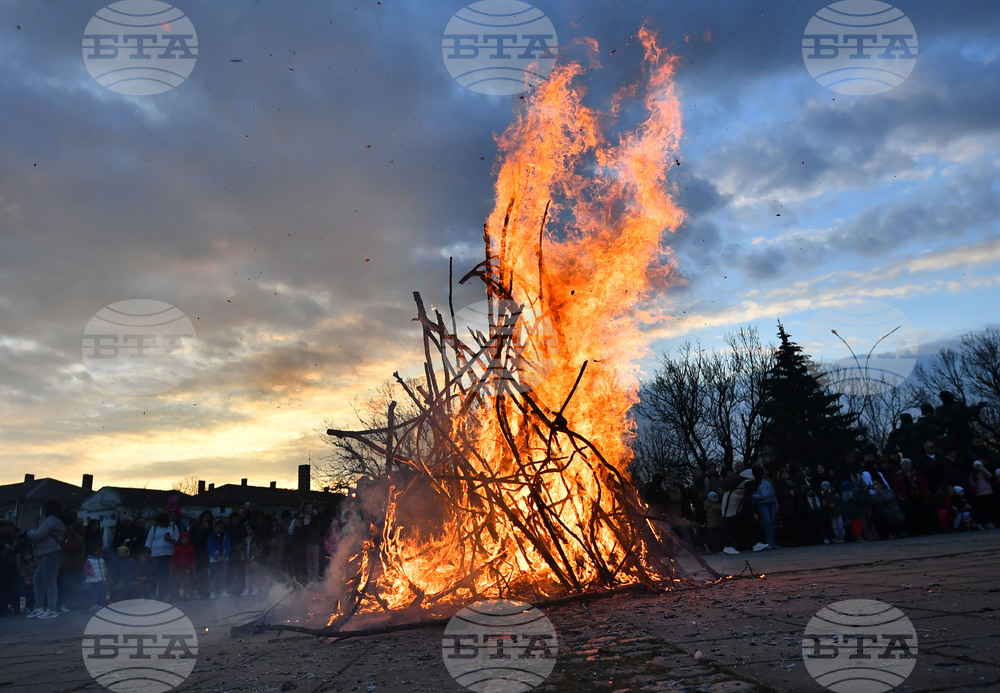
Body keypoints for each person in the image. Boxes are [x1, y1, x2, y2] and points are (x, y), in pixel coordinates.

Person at [25, 499, 67, 619]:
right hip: (52, 554)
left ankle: (51, 609)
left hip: (51, 553)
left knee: (49, 582)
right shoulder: (59, 520)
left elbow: (39, 534)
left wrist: (29, 532)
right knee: (38, 580)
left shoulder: (52, 520)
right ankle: (39, 608)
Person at [145, 512, 180, 600]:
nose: (162, 523)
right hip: (155, 555)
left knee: (165, 575)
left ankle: (163, 594)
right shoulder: (154, 528)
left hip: (168, 554)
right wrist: (148, 551)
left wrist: (170, 540)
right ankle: (152, 593)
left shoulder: (173, 527)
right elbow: (148, 541)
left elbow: (178, 540)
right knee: (154, 575)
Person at [750, 466, 779, 550]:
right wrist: (759, 497)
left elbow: (773, 493)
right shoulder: (755, 482)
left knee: (772, 522)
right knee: (768, 521)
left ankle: (772, 542)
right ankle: (769, 542)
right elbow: (751, 494)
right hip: (762, 503)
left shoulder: (768, 481)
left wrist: (777, 505)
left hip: (772, 502)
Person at [206, 519, 231, 598]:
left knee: (223, 576)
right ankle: (212, 592)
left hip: (224, 559)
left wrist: (224, 556)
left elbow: (228, 547)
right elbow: (209, 548)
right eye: (218, 527)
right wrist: (216, 556)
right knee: (214, 576)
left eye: (221, 527)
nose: (219, 529)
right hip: (214, 560)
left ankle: (222, 591)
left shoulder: (225, 536)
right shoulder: (211, 537)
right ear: (215, 527)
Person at [170, 532, 197, 599]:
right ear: (180, 540)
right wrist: (171, 567)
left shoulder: (190, 548)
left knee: (187, 583)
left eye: (186, 539)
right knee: (177, 583)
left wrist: (193, 567)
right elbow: (173, 559)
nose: (184, 541)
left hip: (187, 569)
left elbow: (192, 558)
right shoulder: (177, 548)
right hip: (178, 569)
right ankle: (176, 596)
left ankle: (186, 596)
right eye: (183, 539)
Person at [82, 545, 109, 613]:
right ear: (92, 551)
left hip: (100, 579)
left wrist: (105, 572)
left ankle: (96, 605)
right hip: (92, 580)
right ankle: (91, 606)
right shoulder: (89, 560)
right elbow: (85, 568)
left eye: (99, 550)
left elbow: (104, 567)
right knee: (92, 593)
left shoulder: (101, 559)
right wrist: (91, 573)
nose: (98, 552)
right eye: (96, 550)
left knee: (98, 593)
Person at [0, 521, 19, 615]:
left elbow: (17, 547)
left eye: (6, 527)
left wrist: (12, 547)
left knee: (9, 589)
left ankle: (4, 607)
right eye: (3, 527)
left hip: (10, 567)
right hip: (2, 566)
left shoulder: (11, 537)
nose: (5, 529)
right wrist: (3, 546)